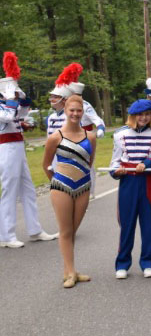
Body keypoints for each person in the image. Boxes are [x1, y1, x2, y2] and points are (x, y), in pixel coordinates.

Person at [0, 52, 58, 248]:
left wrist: (21, 96)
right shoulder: (4, 103)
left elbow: (22, 112)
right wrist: (10, 97)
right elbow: (7, 117)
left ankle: (35, 230)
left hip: (17, 146)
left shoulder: (8, 100)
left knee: (28, 189)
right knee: (10, 190)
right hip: (5, 148)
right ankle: (6, 235)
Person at [110, 99, 151, 279]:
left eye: (147, 114)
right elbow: (114, 161)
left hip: (149, 181)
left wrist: (148, 163)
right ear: (133, 116)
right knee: (126, 224)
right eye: (140, 115)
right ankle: (122, 263)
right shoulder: (120, 134)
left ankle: (148, 262)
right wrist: (117, 172)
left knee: (148, 224)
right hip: (128, 182)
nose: (143, 118)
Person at [42, 95, 96, 288]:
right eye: (72, 110)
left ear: (83, 112)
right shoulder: (55, 137)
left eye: (78, 110)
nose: (75, 114)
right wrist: (56, 183)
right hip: (61, 186)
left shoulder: (90, 136)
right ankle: (71, 272)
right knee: (65, 231)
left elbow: (89, 163)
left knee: (73, 230)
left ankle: (69, 271)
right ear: (65, 110)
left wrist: (82, 182)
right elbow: (46, 165)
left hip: (83, 187)